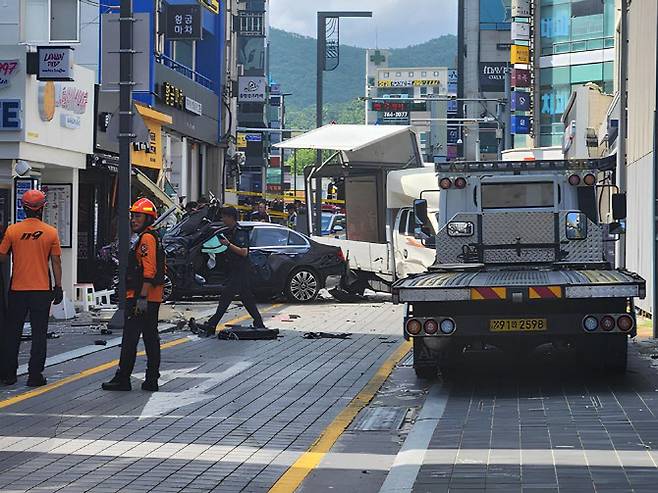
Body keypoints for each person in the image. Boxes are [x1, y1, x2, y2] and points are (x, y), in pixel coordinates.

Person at [0, 190, 63, 387]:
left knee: (13, 333)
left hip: (17, 289)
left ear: (23, 207)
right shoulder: (51, 232)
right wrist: (58, 287)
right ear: (42, 208)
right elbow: (56, 262)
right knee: (39, 333)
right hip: (41, 290)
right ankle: (35, 376)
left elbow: (2, 257)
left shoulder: (12, 231)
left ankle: (9, 375)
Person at [102, 198, 166, 392]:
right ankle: (151, 379)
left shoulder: (146, 238)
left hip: (141, 297)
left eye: (138, 216)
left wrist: (142, 298)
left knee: (130, 339)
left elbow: (149, 270)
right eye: (132, 216)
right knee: (150, 337)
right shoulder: (150, 236)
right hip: (150, 297)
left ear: (148, 218)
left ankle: (123, 378)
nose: (133, 220)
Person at [201, 206, 265, 337]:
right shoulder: (228, 231)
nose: (223, 219)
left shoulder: (240, 232)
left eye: (225, 216)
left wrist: (228, 244)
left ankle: (212, 324)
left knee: (226, 297)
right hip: (234, 270)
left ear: (231, 218)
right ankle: (259, 322)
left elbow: (243, 252)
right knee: (246, 298)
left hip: (241, 270)